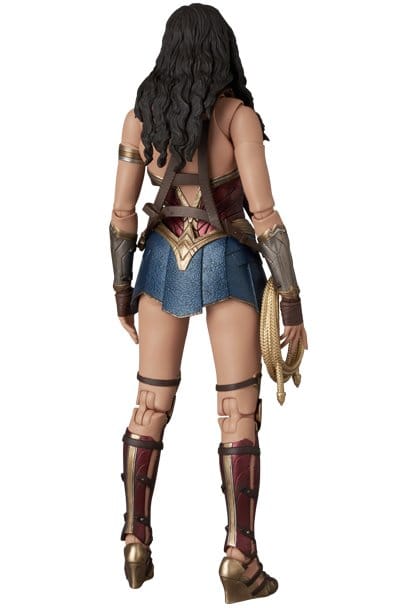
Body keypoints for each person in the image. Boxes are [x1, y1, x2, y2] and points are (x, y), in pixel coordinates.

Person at [109, 3, 308, 603]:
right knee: (238, 413)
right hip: (227, 263)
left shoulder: (140, 120)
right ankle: (239, 557)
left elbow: (121, 216)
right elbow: (264, 216)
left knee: (150, 403)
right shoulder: (238, 118)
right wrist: (292, 303)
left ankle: (135, 539)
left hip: (159, 264)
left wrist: (122, 290)